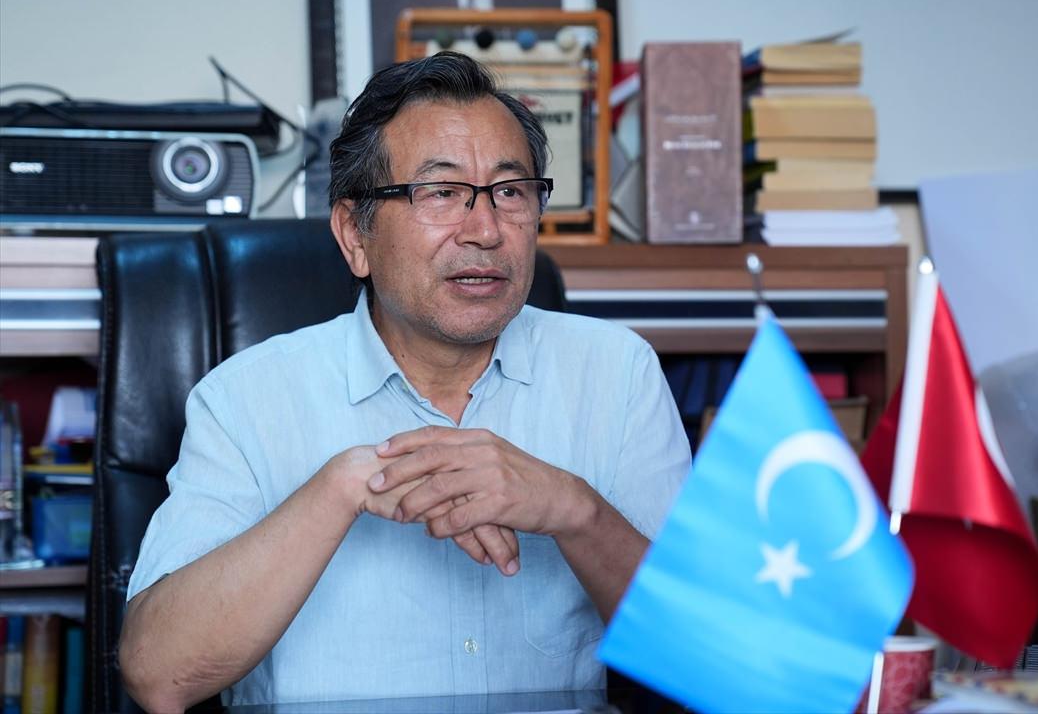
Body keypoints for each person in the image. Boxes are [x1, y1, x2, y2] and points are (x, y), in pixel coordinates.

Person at [117, 51, 692, 710]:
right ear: (354, 236)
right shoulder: (246, 398)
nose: (486, 230)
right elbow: (157, 675)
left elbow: (703, 660)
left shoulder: (617, 373)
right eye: (441, 192)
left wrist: (576, 510)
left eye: (511, 192)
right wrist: (346, 486)